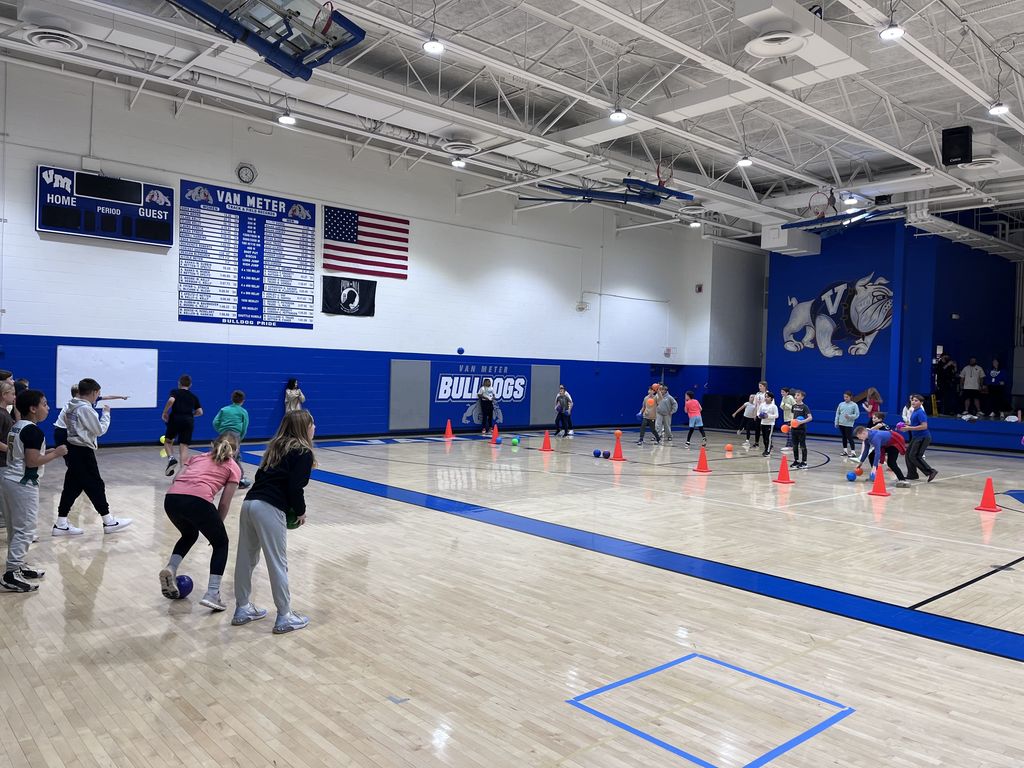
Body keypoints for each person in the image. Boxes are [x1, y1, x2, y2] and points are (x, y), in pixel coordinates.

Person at [232, 410, 315, 634]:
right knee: (277, 562)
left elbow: (262, 478)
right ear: (304, 428)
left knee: (245, 559)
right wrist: (301, 511)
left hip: (249, 504)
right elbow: (294, 487)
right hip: (269, 507)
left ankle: (242, 608)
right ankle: (285, 615)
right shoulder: (303, 452)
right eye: (312, 423)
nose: (314, 427)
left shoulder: (274, 449)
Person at [159, 432, 241, 610]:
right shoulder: (233, 467)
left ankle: (171, 568)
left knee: (189, 534)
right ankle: (212, 594)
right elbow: (225, 503)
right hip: (198, 501)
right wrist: (216, 531)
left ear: (213, 444)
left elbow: (176, 479)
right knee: (221, 543)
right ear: (235, 451)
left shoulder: (195, 458)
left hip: (171, 499)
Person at [2, 390, 68, 591]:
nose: (47, 408)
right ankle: (11, 573)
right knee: (26, 529)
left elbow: (24, 454)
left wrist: (44, 452)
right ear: (33, 408)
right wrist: (56, 453)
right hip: (23, 484)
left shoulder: (17, 427)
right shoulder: (33, 431)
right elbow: (32, 461)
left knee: (15, 527)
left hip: (8, 480)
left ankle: (18, 565)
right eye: (45, 404)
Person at [53, 378, 133, 536]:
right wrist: (107, 415)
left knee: (72, 486)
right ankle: (109, 521)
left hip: (73, 448)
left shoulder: (71, 404)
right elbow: (99, 430)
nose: (98, 396)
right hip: (82, 450)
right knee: (95, 484)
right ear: (95, 392)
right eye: (98, 393)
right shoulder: (85, 409)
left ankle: (61, 523)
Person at [162, 374, 203, 476]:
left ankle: (171, 459)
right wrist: (191, 415)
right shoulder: (194, 396)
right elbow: (200, 412)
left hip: (175, 418)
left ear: (179, 383)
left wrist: (165, 412)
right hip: (188, 420)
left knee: (168, 441)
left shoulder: (175, 392)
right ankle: (182, 474)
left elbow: (171, 400)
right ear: (190, 385)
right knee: (184, 446)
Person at [212, 390, 251, 488]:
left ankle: (217, 476)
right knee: (235, 456)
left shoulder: (224, 409)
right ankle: (239, 479)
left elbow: (215, 422)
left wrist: (220, 431)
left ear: (232, 399)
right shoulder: (243, 411)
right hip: (236, 435)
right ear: (243, 401)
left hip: (223, 434)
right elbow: (245, 426)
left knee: (220, 454)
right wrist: (240, 437)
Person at [899, 393, 937, 482]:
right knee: (908, 455)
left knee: (915, 456)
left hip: (923, 437)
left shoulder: (920, 412)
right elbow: (914, 424)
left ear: (921, 403)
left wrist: (909, 428)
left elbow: (924, 426)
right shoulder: (914, 411)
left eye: (916, 400)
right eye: (912, 400)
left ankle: (931, 471)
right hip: (916, 437)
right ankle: (912, 474)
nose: (913, 402)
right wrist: (905, 426)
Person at [0, 381, 15, 527]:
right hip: (2, 463)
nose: (14, 397)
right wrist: (13, 451)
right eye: (12, 394)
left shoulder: (6, 413)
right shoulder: (0, 414)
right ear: (4, 395)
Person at [790, 389, 812, 469]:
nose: (796, 396)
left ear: (802, 397)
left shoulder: (805, 407)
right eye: (795, 395)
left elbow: (810, 418)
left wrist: (801, 422)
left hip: (801, 430)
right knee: (794, 446)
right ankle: (796, 461)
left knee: (802, 446)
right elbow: (793, 417)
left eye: (798, 395)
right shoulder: (794, 406)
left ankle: (804, 462)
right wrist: (791, 424)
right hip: (794, 429)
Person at [834, 390, 859, 457]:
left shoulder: (854, 405)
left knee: (849, 437)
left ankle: (853, 452)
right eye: (844, 397)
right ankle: (845, 451)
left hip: (849, 424)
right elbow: (837, 413)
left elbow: (857, 414)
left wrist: (850, 416)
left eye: (847, 397)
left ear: (850, 397)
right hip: (841, 423)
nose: (845, 398)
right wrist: (836, 422)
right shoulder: (841, 404)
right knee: (844, 437)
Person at [758, 392, 779, 456]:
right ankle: (765, 448)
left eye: (768, 397)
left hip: (770, 424)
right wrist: (759, 415)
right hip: (763, 423)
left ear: (771, 398)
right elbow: (758, 412)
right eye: (765, 397)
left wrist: (768, 416)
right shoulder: (762, 405)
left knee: (768, 437)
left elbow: (776, 415)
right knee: (764, 438)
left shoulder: (774, 406)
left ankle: (768, 451)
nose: (766, 398)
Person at [779, 386, 795, 451]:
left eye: (783, 392)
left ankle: (790, 445)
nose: (781, 393)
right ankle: (789, 445)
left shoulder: (790, 397)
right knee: (788, 431)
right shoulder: (783, 398)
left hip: (791, 417)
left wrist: (786, 405)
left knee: (790, 432)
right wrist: (784, 405)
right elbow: (781, 406)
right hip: (786, 417)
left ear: (787, 392)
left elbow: (794, 406)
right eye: (781, 392)